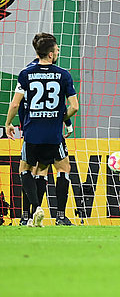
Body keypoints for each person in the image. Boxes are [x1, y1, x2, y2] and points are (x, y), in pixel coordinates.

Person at [4, 33, 79, 227]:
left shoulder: (26, 73)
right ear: (51, 54)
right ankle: (61, 216)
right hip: (54, 135)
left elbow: (14, 105)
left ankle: (30, 213)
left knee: (27, 170)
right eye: (57, 49)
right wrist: (62, 119)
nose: (58, 52)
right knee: (62, 169)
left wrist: (8, 123)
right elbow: (74, 106)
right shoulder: (63, 74)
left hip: (32, 133)